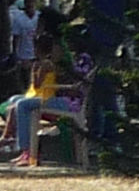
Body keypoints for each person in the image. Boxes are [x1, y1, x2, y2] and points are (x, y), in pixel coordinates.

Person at [10, 35, 84, 167]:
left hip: (63, 102)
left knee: (22, 105)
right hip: (51, 97)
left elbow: (37, 84)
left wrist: (34, 70)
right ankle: (21, 145)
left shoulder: (45, 64)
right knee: (15, 100)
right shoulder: (54, 63)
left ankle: (28, 150)